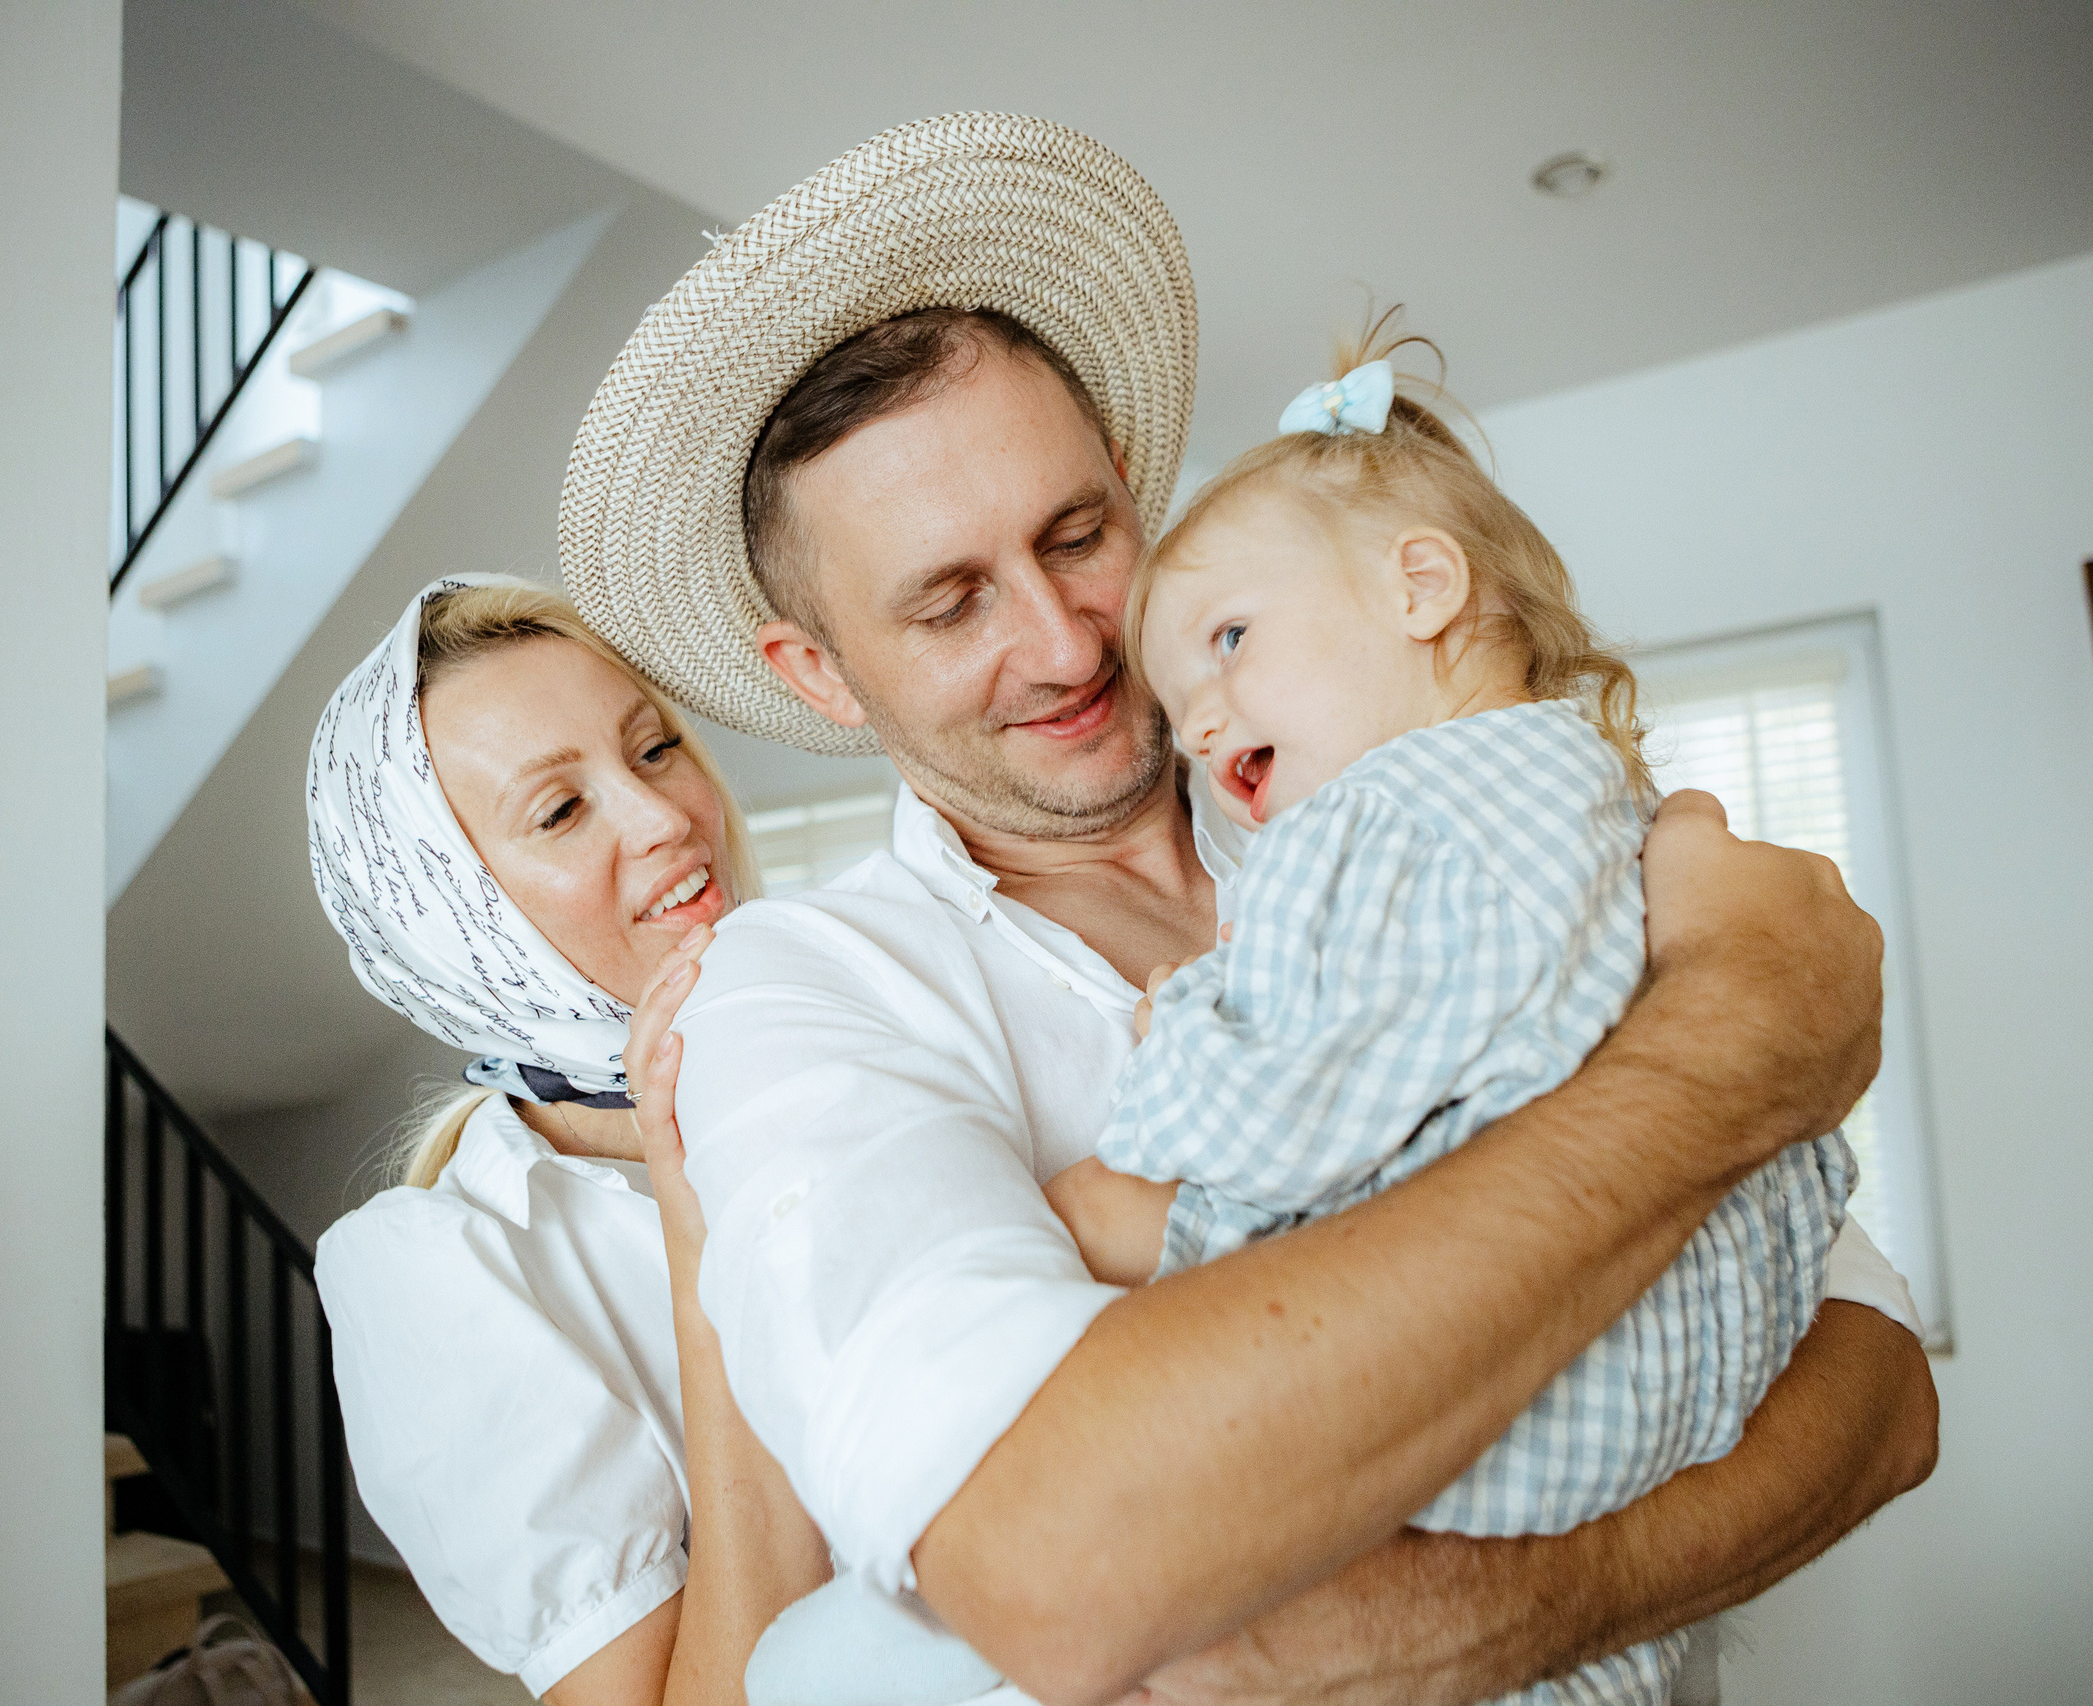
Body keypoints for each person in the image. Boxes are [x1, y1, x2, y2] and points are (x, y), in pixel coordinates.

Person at [558, 114, 1936, 1706]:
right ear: (817, 670)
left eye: (1080, 537)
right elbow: (1066, 1565)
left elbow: (1879, 1386)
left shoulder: (1424, 783)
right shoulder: (805, 999)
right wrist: (1731, 1044)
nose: (1071, 642)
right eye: (949, 601)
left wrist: (1533, 1602)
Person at [1037, 327, 1855, 1706]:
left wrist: (1176, 1036)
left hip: (1518, 1410)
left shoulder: (1388, 817)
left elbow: (1292, 1119)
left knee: (1085, 1214)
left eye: (1229, 638)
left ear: (1422, 588)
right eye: (1179, 703)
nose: (1198, 721)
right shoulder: (1602, 797)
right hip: (1692, 1381)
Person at [304, 575, 834, 1702]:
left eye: (652, 750)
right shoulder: (436, 1270)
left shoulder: (871, 1029)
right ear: (451, 920)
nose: (666, 817)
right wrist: (706, 1242)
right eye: (559, 809)